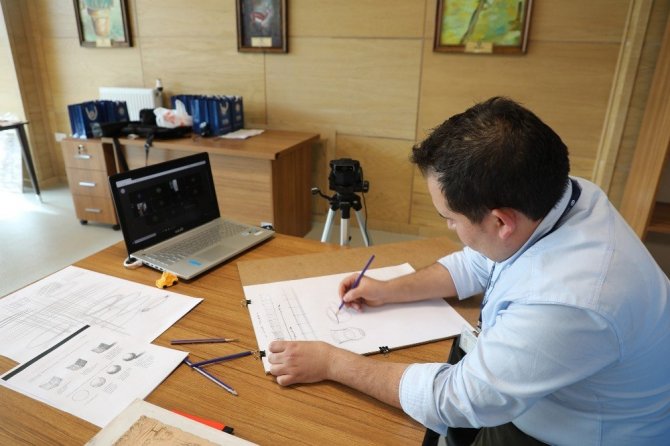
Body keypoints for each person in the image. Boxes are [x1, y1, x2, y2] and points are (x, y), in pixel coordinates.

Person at [267, 97, 670, 445]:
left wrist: (332, 363)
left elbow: (458, 400)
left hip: (578, 433)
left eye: (450, 218)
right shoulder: (556, 194)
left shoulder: (566, 301)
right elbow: (479, 260)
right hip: (549, 393)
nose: (449, 227)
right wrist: (388, 289)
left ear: (500, 221)